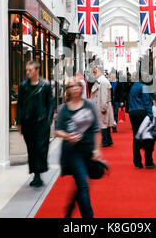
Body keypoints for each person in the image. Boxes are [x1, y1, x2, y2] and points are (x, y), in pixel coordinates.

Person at [55, 77, 102, 218]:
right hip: (72, 153)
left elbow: (96, 128)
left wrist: (97, 149)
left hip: (88, 150)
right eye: (71, 87)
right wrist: (68, 136)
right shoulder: (63, 108)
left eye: (77, 86)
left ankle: (69, 210)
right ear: (68, 90)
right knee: (83, 185)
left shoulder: (89, 105)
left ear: (82, 88)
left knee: (81, 184)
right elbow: (57, 130)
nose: (75, 89)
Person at [17, 61, 55, 187]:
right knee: (31, 149)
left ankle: (40, 171)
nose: (27, 72)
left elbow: (50, 103)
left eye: (30, 70)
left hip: (42, 122)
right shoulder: (23, 86)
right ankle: (36, 175)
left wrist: (48, 120)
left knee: (41, 147)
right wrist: (19, 122)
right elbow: (20, 105)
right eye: (26, 70)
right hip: (28, 123)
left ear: (37, 71)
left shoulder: (46, 85)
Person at [128, 72, 156, 169]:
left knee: (136, 137)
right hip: (142, 113)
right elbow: (147, 103)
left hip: (133, 113)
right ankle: (148, 161)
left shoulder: (133, 87)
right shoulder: (144, 87)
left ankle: (137, 162)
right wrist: (151, 116)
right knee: (148, 137)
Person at [91, 66, 116, 147]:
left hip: (102, 105)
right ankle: (108, 140)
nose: (94, 73)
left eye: (95, 72)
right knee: (105, 123)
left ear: (100, 72)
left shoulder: (103, 82)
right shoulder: (100, 81)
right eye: (93, 72)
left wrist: (103, 107)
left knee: (103, 123)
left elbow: (104, 96)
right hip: (101, 105)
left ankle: (105, 141)